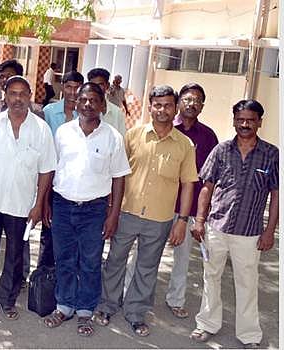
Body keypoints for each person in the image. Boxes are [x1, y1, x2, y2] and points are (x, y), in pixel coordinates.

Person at [95, 85, 197, 337]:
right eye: (158, 105)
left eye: (168, 105)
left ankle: (136, 313)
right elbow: (116, 175)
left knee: (147, 267)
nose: (162, 110)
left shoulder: (185, 145)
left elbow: (188, 185)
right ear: (150, 106)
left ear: (175, 109)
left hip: (160, 219)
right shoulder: (132, 136)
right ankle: (107, 305)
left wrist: (182, 220)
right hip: (127, 213)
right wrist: (111, 211)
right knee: (115, 262)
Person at [0, 76, 56, 321]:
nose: (17, 99)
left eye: (22, 94)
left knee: (15, 254)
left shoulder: (41, 129)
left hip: (22, 205)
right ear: (5, 96)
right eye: (13, 93)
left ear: (30, 97)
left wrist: (38, 205)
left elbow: (46, 170)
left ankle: (8, 299)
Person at [42, 82, 130, 337]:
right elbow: (51, 168)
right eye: (84, 100)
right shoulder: (63, 132)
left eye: (94, 100)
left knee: (90, 263)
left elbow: (119, 178)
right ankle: (64, 306)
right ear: (76, 103)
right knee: (64, 259)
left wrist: (113, 215)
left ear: (103, 105)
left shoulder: (112, 137)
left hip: (94, 210)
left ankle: (85, 311)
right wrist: (46, 201)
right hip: (62, 204)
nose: (88, 104)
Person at [189, 100, 278, 349]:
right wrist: (199, 220)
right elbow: (206, 186)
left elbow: (277, 195)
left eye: (250, 120)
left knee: (247, 284)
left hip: (249, 233)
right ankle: (207, 323)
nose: (245, 124)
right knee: (211, 277)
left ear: (260, 122)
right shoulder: (221, 150)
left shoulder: (271, 154)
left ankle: (249, 335)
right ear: (234, 120)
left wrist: (269, 230)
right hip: (217, 227)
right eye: (240, 119)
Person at [163, 83, 219, 318]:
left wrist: (201, 215)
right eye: (186, 99)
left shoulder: (208, 136)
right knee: (143, 254)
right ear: (178, 102)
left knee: (182, 258)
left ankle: (175, 299)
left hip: (188, 208)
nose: (191, 103)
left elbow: (211, 178)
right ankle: (128, 293)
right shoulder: (166, 128)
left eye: (197, 100)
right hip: (160, 204)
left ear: (202, 106)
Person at [36, 71, 85, 272]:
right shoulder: (49, 111)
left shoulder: (86, 114)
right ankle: (43, 277)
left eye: (77, 88)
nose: (73, 92)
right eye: (69, 87)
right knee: (48, 233)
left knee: (72, 236)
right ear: (62, 87)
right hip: (51, 178)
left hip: (75, 182)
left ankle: (66, 275)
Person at [86, 68, 127, 135]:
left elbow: (122, 139)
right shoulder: (84, 111)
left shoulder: (117, 113)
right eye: (93, 85)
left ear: (107, 85)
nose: (96, 88)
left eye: (100, 84)